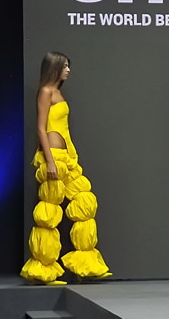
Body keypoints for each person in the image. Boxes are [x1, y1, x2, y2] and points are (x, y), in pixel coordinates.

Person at [21, 52, 111, 284]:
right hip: (52, 155)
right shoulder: (46, 92)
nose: (68, 70)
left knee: (84, 201)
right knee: (49, 211)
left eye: (69, 66)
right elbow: (41, 128)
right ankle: (43, 271)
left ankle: (84, 266)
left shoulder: (58, 93)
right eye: (65, 66)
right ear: (54, 67)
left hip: (67, 156)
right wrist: (49, 160)